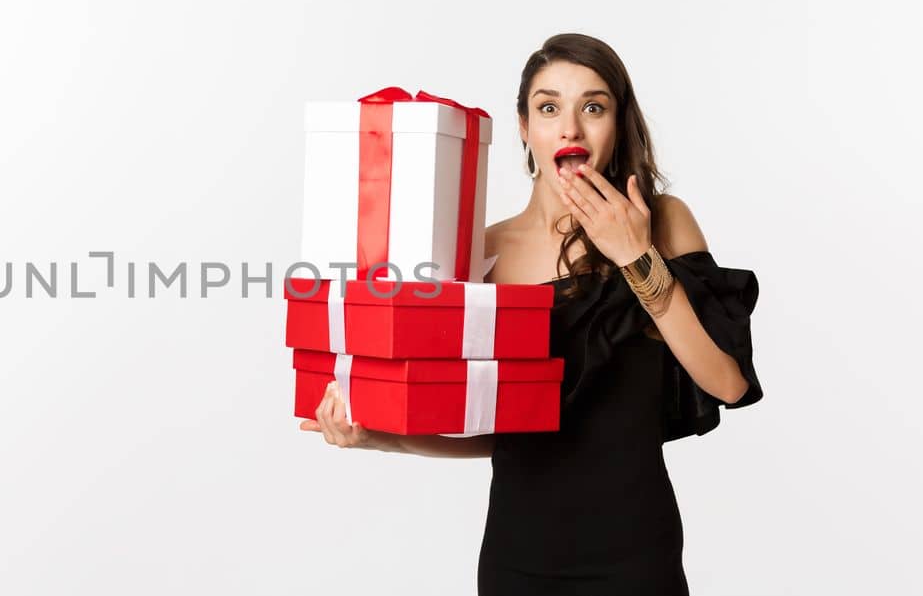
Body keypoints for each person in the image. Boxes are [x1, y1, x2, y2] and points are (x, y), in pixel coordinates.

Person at [298, 33, 763, 595]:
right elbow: (500, 433)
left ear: (618, 124)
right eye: (548, 108)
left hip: (637, 555)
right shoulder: (480, 252)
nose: (570, 127)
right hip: (519, 558)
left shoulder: (661, 221)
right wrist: (381, 437)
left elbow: (728, 382)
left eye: (593, 107)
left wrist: (635, 257)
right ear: (524, 127)